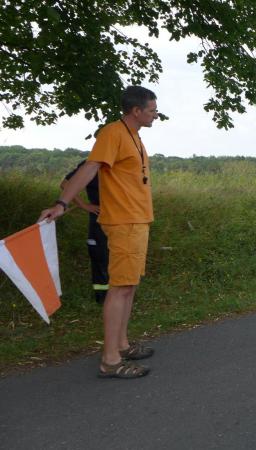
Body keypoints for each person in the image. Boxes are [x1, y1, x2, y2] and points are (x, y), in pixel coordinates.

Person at [39, 86, 158, 379]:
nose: (156, 115)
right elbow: (90, 168)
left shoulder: (134, 136)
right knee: (119, 288)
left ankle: (122, 345)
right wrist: (62, 203)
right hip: (123, 222)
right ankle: (110, 360)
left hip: (137, 220)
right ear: (136, 111)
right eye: (152, 110)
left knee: (129, 286)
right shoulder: (112, 133)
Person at [62, 160, 109, 304]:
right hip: (99, 220)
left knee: (118, 257)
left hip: (121, 220)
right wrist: (84, 205)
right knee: (100, 257)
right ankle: (102, 297)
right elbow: (65, 184)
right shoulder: (90, 163)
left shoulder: (121, 163)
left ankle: (119, 295)